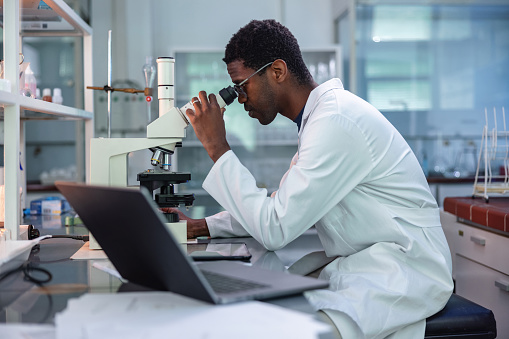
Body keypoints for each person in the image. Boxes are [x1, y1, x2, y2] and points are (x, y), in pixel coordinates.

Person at [176, 19, 453, 338]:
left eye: (242, 86)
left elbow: (274, 228)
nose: (240, 99)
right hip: (370, 262)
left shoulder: (335, 122)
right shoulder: (318, 120)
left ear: (277, 71)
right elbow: (285, 204)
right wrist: (203, 226)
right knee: (269, 309)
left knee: (285, 330)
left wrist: (216, 145)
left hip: (403, 271)